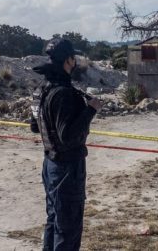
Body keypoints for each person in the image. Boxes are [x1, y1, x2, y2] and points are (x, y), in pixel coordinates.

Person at [30, 38, 101, 251]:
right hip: (66, 169)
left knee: (54, 221)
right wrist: (91, 110)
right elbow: (68, 137)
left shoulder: (41, 90)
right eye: (74, 57)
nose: (76, 61)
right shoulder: (63, 93)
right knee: (68, 228)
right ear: (68, 60)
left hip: (50, 165)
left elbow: (35, 127)